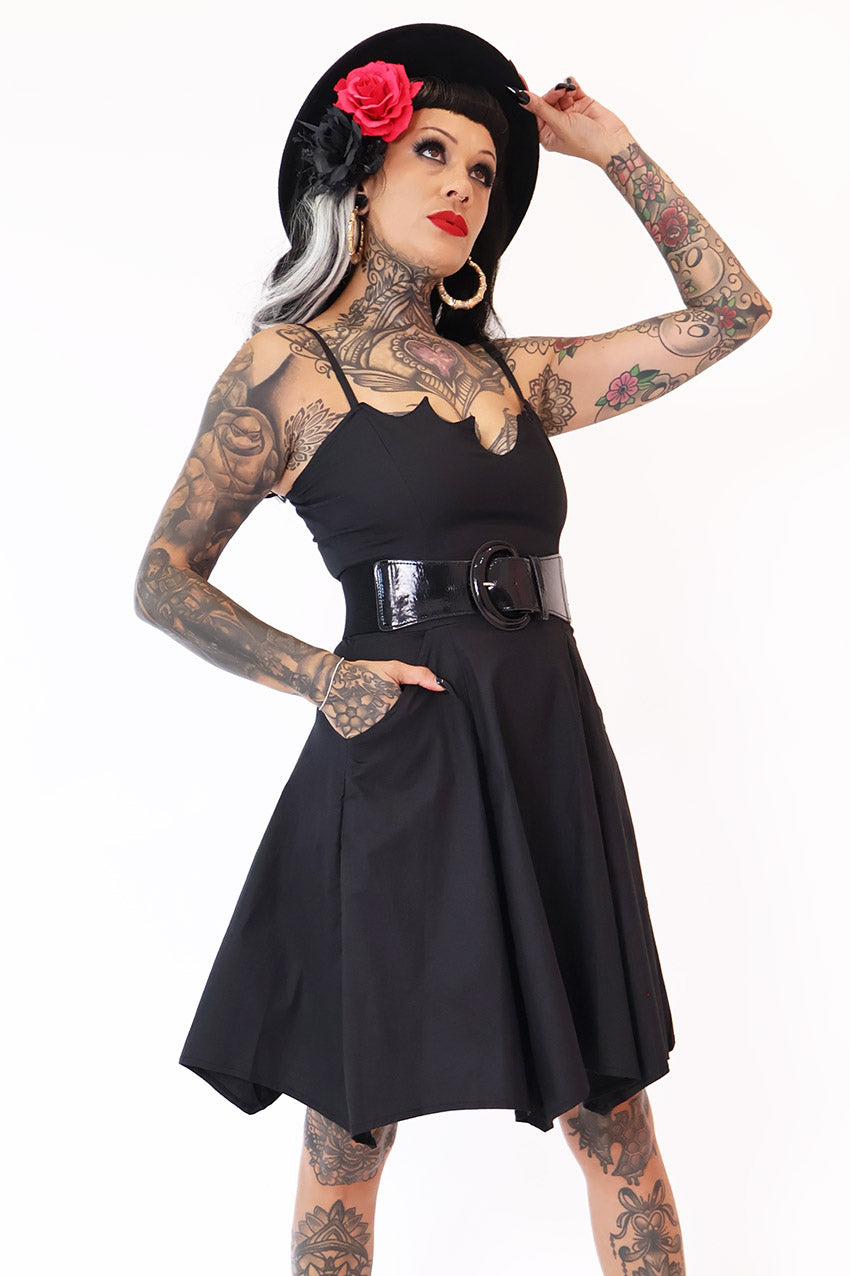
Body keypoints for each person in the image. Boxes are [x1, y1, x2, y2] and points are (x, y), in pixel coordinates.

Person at [133, 22, 771, 1275]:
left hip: (543, 745)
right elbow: (163, 576)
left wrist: (614, 152)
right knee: (350, 1122)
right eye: (432, 151)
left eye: (483, 170)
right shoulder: (285, 370)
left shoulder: (513, 378)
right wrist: (321, 676)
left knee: (613, 1111)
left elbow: (732, 313)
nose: (464, 187)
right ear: (360, 171)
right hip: (401, 752)